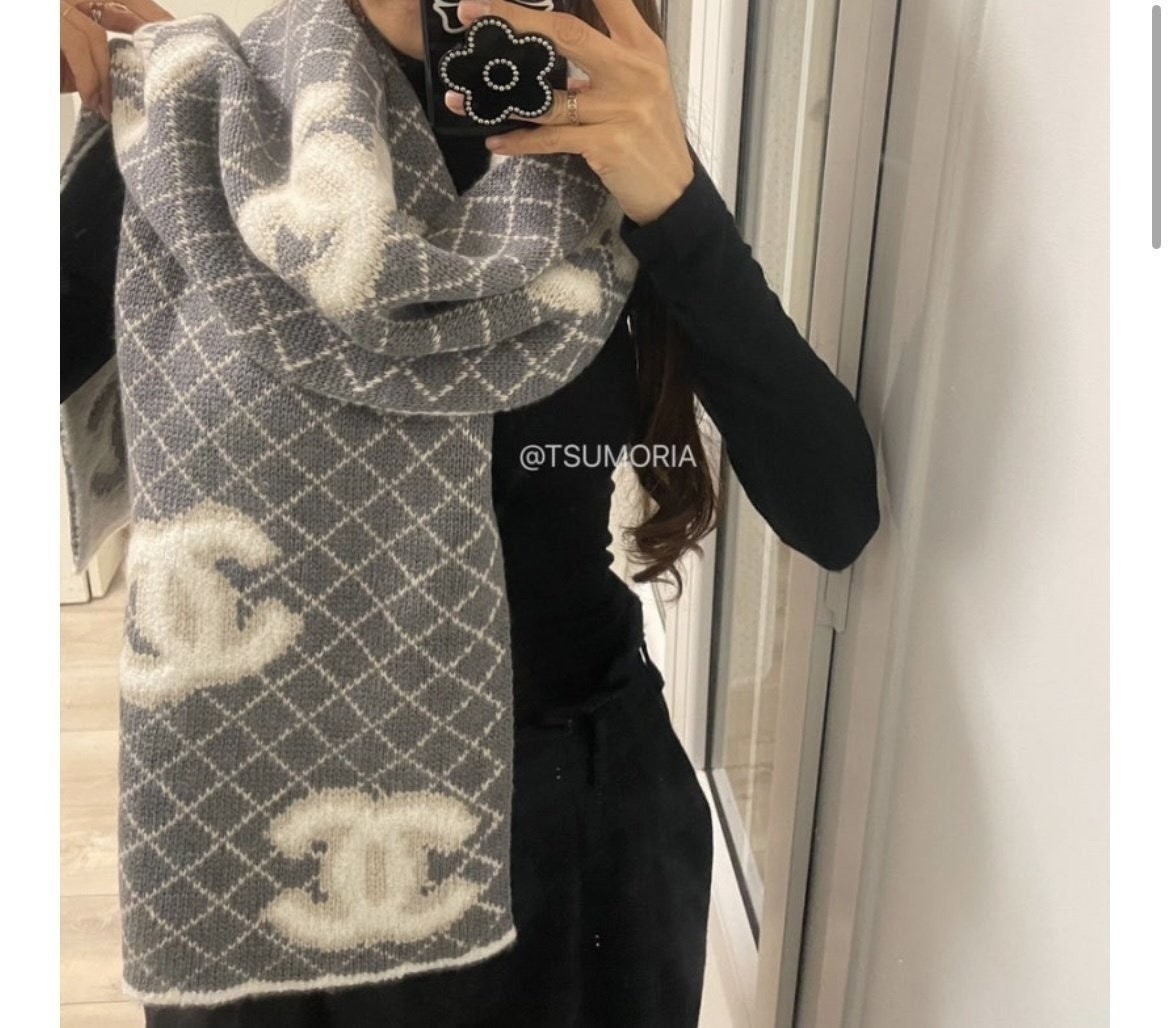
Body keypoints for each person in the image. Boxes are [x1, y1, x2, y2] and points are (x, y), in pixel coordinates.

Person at [60, 0, 881, 1024]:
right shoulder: (206, 117)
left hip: (563, 830)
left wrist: (678, 204)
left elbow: (834, 511)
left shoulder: (605, 145)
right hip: (268, 833)